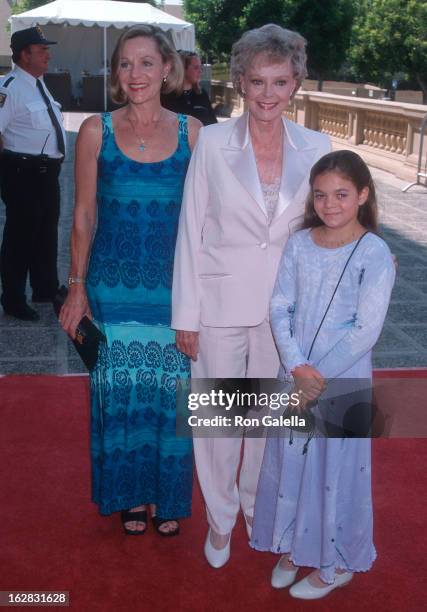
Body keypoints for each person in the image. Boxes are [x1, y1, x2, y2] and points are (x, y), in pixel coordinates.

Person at [172, 24, 330, 567]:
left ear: (296, 85)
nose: (267, 94)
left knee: (269, 422)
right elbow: (191, 229)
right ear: (240, 82)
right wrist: (185, 314)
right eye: (257, 81)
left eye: (279, 82)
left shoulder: (317, 147)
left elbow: (326, 227)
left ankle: (256, 508)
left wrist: (366, 258)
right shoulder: (212, 142)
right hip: (217, 307)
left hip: (285, 314)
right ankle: (219, 522)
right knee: (219, 424)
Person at [60, 25, 201, 536]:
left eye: (146, 62)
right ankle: (130, 496)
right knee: (119, 393)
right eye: (125, 64)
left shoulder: (194, 133)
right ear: (116, 73)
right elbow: (82, 215)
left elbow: (206, 219)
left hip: (172, 288)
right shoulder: (96, 131)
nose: (134, 73)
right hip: (112, 288)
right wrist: (76, 285)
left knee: (172, 392)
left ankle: (166, 497)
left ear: (167, 68)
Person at [250, 150, 396, 599]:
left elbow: (364, 331)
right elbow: (280, 306)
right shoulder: (299, 244)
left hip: (342, 379)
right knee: (291, 460)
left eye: (341, 194)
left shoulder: (375, 252)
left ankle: (336, 562)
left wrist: (316, 379)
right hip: (294, 374)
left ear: (363, 195)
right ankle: (294, 546)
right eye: (320, 195)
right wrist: (296, 367)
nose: (330, 204)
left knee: (336, 468)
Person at [0, 26, 66, 321]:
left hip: (46, 173)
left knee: (46, 232)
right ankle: (13, 298)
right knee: (20, 236)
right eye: (41, 50)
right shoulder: (10, 87)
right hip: (22, 171)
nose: (47, 54)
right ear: (24, 55)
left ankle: (45, 288)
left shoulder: (39, 84)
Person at [161, 51, 217, 126]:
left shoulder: (202, 94)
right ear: (183, 69)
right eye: (196, 68)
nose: (200, 71)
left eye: (200, 67)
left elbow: (213, 124)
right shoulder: (165, 96)